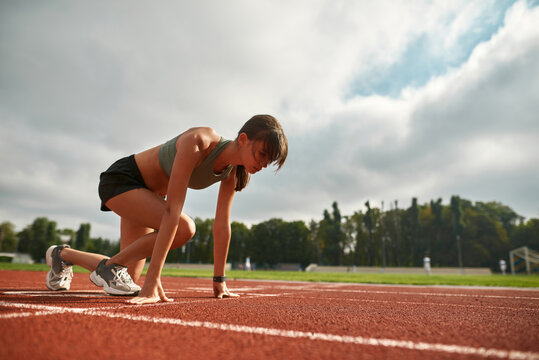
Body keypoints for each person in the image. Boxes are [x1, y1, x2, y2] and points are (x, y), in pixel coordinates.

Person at [45, 114, 288, 304]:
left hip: (148, 196)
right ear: (244, 139)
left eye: (269, 160)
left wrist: (219, 280)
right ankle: (108, 268)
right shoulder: (201, 140)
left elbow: (222, 225)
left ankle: (62, 255)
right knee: (185, 228)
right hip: (123, 180)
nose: (264, 163)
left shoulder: (232, 172)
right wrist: (154, 281)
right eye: (262, 154)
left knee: (129, 275)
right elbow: (172, 211)